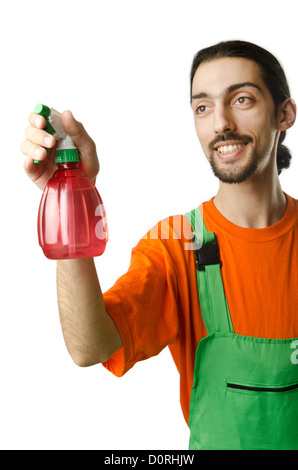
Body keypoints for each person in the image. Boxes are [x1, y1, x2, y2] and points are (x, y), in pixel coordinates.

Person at [21, 40, 298, 450]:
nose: (220, 122)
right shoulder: (177, 245)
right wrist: (72, 196)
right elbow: (89, 347)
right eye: (202, 107)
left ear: (284, 114)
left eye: (241, 99)